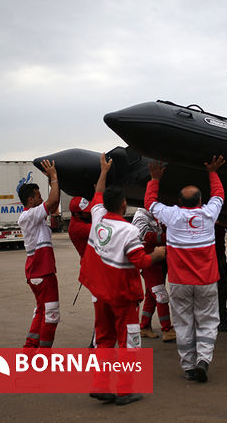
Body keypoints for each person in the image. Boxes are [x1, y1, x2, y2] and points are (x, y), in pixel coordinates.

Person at [79, 153, 165, 405]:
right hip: (122, 298)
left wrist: (103, 171)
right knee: (129, 343)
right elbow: (141, 261)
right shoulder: (128, 231)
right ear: (124, 204)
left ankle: (100, 385)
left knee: (104, 340)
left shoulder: (97, 217)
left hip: (99, 295)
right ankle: (125, 390)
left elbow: (98, 192)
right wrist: (158, 255)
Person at [145, 156, 225, 383]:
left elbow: (150, 202)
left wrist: (155, 178)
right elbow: (219, 195)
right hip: (207, 282)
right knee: (208, 321)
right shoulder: (209, 215)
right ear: (201, 202)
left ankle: (189, 367)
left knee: (183, 323)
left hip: (180, 282)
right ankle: (203, 360)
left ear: (178, 203)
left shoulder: (171, 216)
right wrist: (212, 172)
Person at [17, 159, 60, 349]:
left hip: (37, 273)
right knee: (51, 314)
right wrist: (54, 178)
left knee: (41, 311)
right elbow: (53, 202)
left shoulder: (34, 216)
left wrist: (52, 181)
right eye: (38, 196)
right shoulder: (29, 215)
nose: (41, 198)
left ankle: (30, 349)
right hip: (42, 272)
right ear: (30, 200)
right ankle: (43, 357)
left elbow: (51, 204)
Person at [132, 207, 176, 342]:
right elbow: (147, 236)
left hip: (157, 261)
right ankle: (167, 330)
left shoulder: (153, 215)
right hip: (149, 261)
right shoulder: (140, 217)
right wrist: (170, 237)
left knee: (151, 295)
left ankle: (144, 326)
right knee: (161, 294)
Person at [67, 195, 96, 347]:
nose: (90, 212)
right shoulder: (77, 228)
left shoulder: (83, 219)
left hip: (95, 267)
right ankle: (95, 345)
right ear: (77, 214)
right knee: (103, 308)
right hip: (91, 270)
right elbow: (101, 226)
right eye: (87, 211)